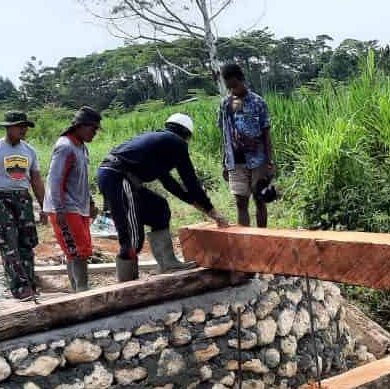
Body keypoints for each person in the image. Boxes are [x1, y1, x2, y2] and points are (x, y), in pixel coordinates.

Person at [96, 113, 230, 282]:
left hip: (114, 175)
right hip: (118, 178)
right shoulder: (176, 143)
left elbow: (169, 183)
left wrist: (193, 202)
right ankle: (126, 284)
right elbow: (190, 181)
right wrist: (212, 211)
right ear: (186, 135)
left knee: (158, 208)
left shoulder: (159, 142)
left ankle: (167, 263)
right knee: (132, 237)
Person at [0, 111, 46, 301]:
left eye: (25, 126)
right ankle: (19, 287)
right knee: (8, 244)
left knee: (27, 242)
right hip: (1, 200)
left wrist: (44, 206)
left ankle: (30, 283)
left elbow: (37, 181)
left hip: (23, 199)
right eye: (19, 126)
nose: (23, 130)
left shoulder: (29, 151)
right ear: (8, 127)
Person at [44, 107, 102, 293]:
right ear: (81, 126)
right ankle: (82, 290)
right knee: (78, 250)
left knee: (77, 250)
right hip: (65, 207)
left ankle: (78, 289)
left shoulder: (81, 147)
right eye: (93, 129)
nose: (95, 133)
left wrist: (91, 202)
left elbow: (82, 178)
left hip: (78, 206)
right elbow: (55, 179)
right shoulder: (65, 147)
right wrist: (59, 209)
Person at [218, 62, 275, 227]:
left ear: (242, 80)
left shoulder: (258, 102)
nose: (233, 90)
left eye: (235, 85)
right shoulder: (225, 105)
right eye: (229, 87)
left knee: (260, 199)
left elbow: (266, 134)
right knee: (241, 203)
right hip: (236, 162)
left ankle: (262, 239)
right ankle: (246, 242)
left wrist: (269, 162)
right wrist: (225, 162)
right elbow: (226, 134)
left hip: (257, 160)